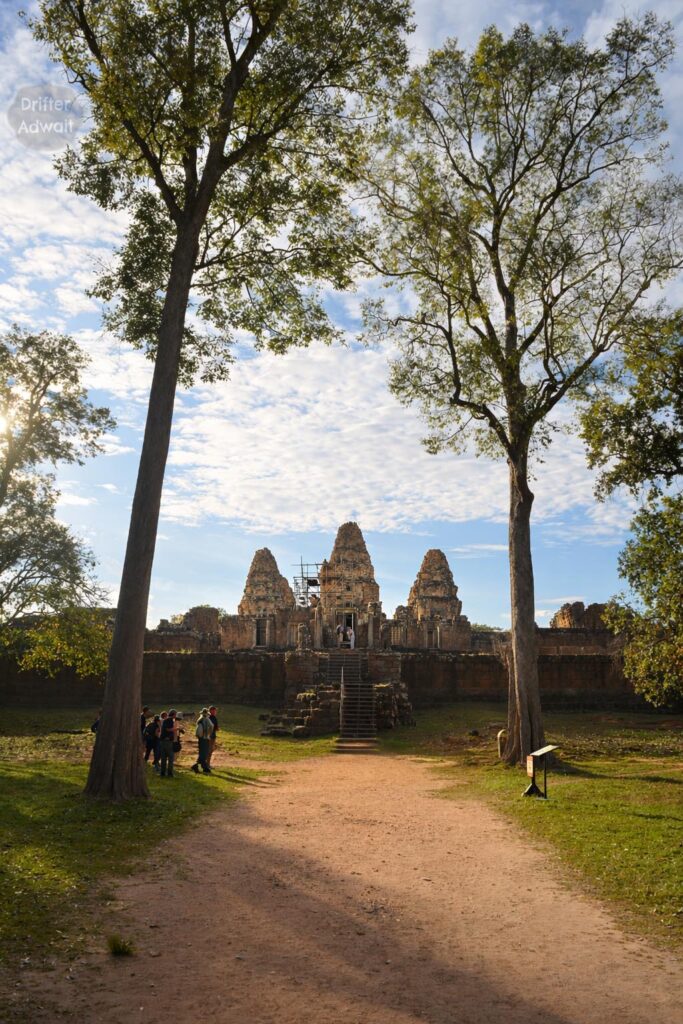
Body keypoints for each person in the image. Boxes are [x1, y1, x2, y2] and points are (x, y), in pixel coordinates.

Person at [191, 708, 213, 774]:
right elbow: (211, 726)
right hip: (205, 738)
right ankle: (203, 767)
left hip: (200, 738)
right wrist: (209, 734)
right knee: (204, 753)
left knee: (201, 752)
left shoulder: (199, 719)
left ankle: (201, 767)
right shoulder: (206, 719)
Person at [159, 709, 178, 777]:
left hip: (162, 741)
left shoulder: (165, 720)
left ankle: (162, 773)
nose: (176, 716)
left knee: (163, 758)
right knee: (171, 757)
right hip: (167, 741)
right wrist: (177, 728)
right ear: (173, 714)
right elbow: (168, 729)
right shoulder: (169, 720)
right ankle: (170, 773)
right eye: (175, 714)